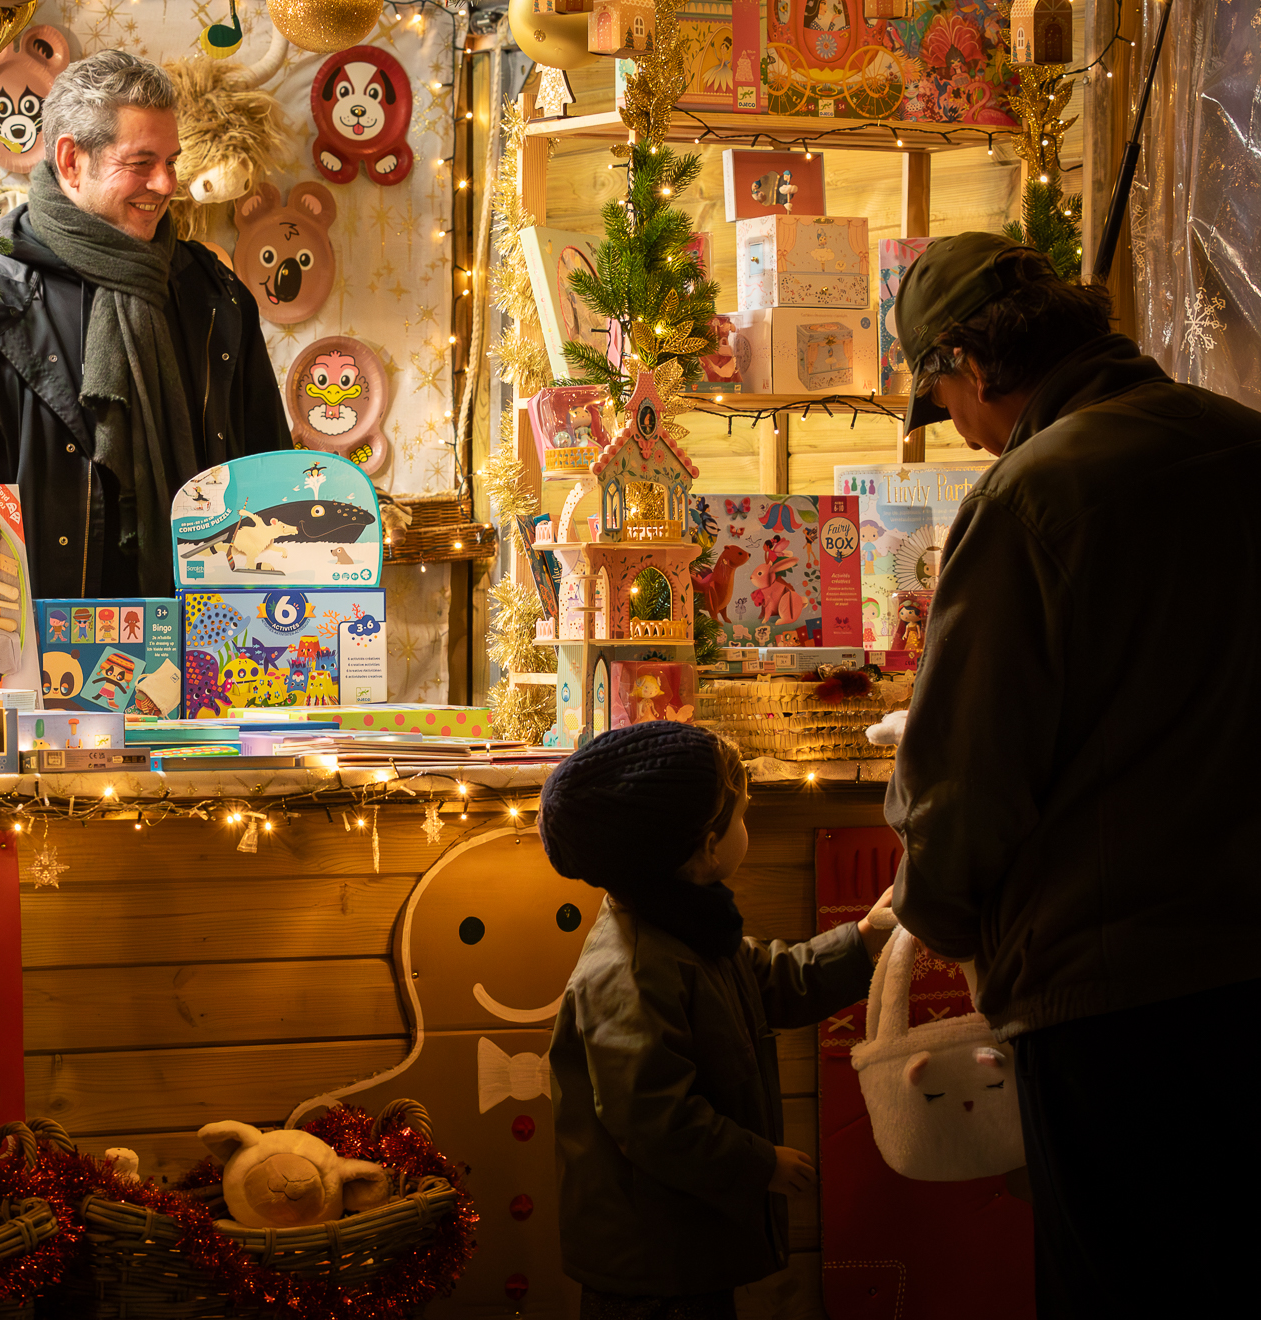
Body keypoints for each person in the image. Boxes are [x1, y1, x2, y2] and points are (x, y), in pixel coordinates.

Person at [886, 232, 1261, 1317]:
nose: (957, 426)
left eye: (945, 395)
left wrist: (934, 909)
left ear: (973, 361)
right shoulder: (1244, 444)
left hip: (1115, 998)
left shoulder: (1028, 500)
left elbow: (963, 777)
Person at [0, 49, 287, 603]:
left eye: (171, 160)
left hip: (204, 650)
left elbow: (271, 480)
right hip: (26, 659)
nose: (166, 182)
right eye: (141, 162)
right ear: (72, 160)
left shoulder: (216, 299)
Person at [539, 723, 891, 1319]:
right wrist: (760, 1164)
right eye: (742, 817)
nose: (746, 828)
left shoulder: (688, 924)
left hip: (685, 1242)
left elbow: (771, 980)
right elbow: (655, 1119)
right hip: (649, 1263)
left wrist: (861, 941)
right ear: (704, 849)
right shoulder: (631, 968)